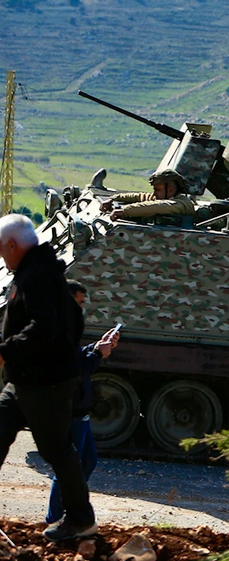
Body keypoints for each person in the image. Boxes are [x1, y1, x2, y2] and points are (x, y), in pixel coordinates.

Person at [0, 215, 96, 541]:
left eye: (1, 250)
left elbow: (46, 327)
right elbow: (73, 320)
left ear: (12, 245)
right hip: (24, 381)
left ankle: (81, 521)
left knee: (57, 450)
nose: (1, 257)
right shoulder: (39, 271)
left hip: (45, 384)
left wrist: (6, 351)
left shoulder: (38, 275)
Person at [47, 282, 119, 525]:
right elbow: (74, 371)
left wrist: (97, 346)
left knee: (88, 462)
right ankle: (55, 520)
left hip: (79, 410)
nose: (81, 308)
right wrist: (98, 354)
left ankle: (67, 512)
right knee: (69, 470)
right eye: (78, 302)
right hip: (68, 410)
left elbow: (77, 358)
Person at [100, 168, 195, 221]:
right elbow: (141, 196)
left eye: (157, 190)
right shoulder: (164, 197)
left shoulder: (182, 204)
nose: (154, 194)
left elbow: (157, 206)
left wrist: (124, 211)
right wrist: (113, 198)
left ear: (170, 190)